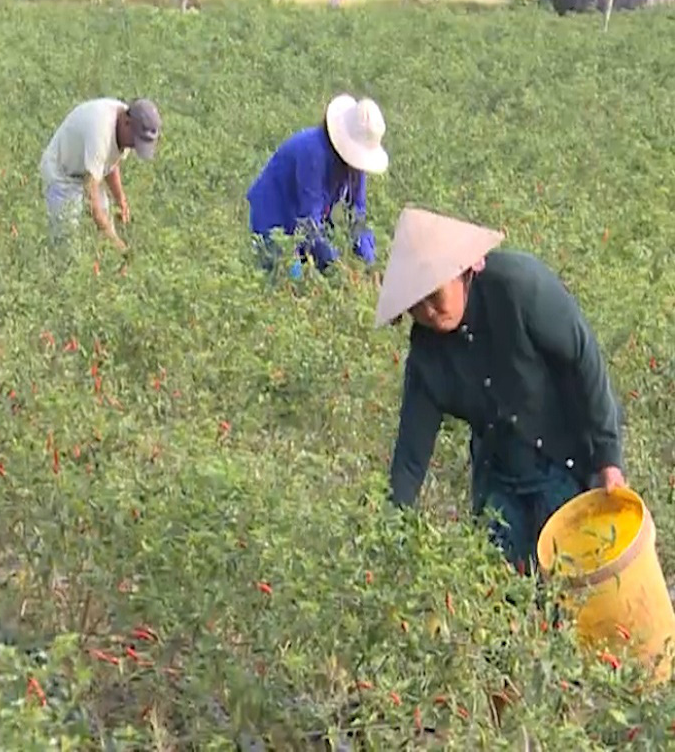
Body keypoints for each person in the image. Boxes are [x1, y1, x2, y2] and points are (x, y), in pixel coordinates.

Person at [377, 207, 627, 574]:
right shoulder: (427, 358)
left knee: (578, 579)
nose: (430, 312)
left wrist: (608, 459)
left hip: (565, 456)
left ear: (463, 270)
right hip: (499, 472)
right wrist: (390, 530)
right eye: (416, 307)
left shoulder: (519, 288)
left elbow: (583, 361)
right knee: (504, 587)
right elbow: (411, 454)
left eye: (435, 295)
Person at [245, 94, 387, 278]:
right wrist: (337, 266)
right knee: (288, 277)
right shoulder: (313, 153)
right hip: (274, 214)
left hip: (306, 220)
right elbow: (309, 220)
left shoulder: (355, 168)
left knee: (317, 273)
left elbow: (357, 215)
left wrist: (369, 263)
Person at [38, 97, 161, 251]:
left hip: (87, 171)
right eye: (135, 141)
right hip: (62, 173)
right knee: (67, 242)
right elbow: (93, 206)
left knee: (104, 226)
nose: (135, 147)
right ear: (127, 123)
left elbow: (111, 163)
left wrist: (121, 201)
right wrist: (120, 248)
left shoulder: (124, 125)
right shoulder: (101, 130)